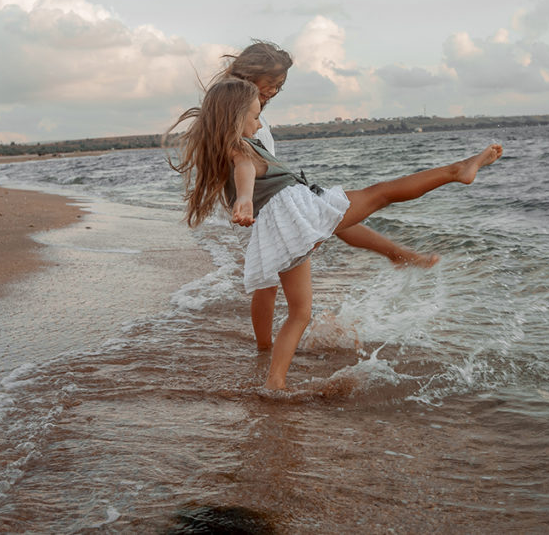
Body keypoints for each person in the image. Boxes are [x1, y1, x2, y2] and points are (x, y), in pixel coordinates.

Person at [167, 78, 503, 390]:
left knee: (300, 312)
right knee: (380, 194)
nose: (259, 124)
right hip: (294, 214)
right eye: (255, 117)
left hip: (284, 226)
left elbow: (245, 172)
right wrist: (243, 198)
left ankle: (276, 382)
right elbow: (244, 171)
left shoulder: (229, 146)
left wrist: (245, 200)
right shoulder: (239, 147)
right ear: (234, 117)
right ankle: (456, 171)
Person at [211, 41, 438, 354]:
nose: (274, 92)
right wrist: (247, 198)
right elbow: (243, 165)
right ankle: (264, 348)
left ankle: (396, 254)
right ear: (250, 75)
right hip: (261, 201)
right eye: (271, 84)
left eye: (280, 87)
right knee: (270, 280)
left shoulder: (244, 110)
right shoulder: (234, 112)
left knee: (332, 217)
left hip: (272, 193)